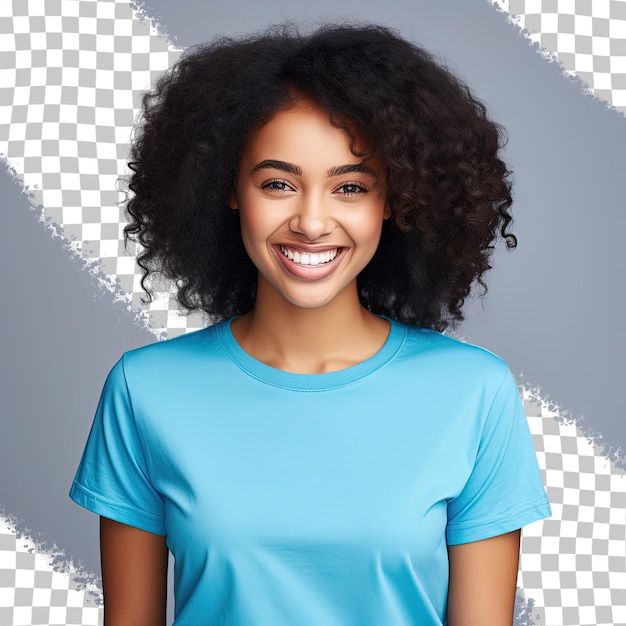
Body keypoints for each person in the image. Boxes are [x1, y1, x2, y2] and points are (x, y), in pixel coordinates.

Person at [70, 23, 551, 625]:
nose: (313, 222)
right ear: (230, 190)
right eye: (278, 183)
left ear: (395, 201)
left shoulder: (473, 393)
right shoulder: (145, 391)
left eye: (350, 187)